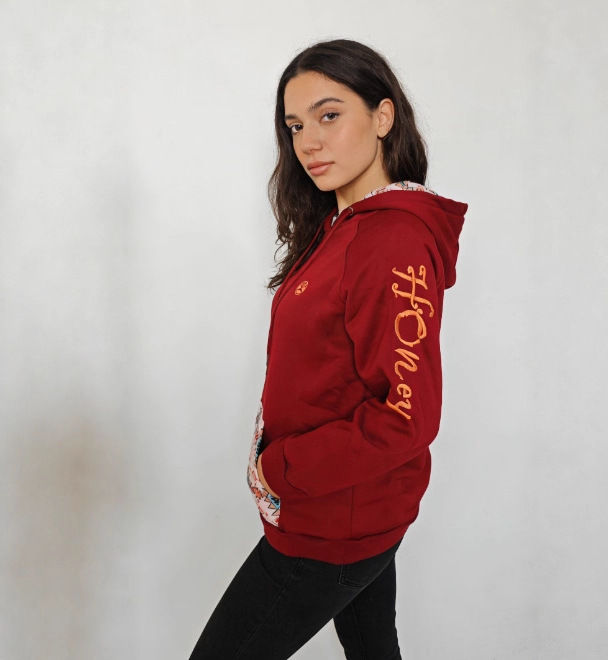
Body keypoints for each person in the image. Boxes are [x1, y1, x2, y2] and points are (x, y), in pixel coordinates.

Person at [189, 38, 467, 660]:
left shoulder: (391, 241)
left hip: (331, 524)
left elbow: (406, 417)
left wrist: (280, 469)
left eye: (329, 115)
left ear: (383, 116)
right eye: (295, 126)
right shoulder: (340, 228)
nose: (308, 142)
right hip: (353, 510)